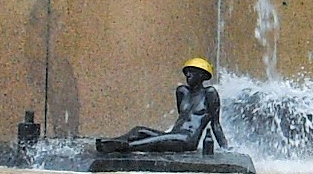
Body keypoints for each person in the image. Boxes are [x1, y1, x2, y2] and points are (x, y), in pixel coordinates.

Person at [93, 58, 228, 155]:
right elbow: (181, 118)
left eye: (192, 71)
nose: (188, 75)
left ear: (203, 75)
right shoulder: (182, 92)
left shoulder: (209, 93)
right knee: (139, 130)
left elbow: (215, 124)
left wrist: (225, 149)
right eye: (187, 71)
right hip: (174, 135)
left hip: (187, 140)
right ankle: (114, 141)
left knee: (148, 144)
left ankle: (121, 147)